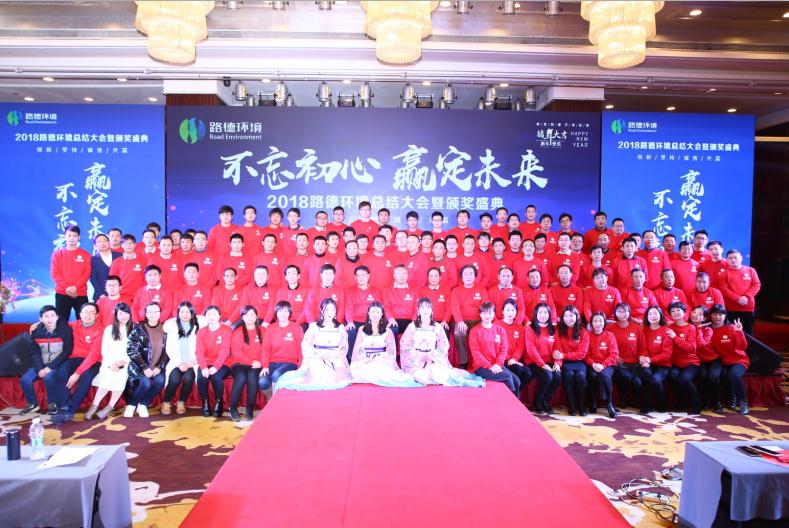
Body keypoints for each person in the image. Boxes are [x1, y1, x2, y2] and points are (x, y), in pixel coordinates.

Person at [400, 298, 484, 387]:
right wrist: (418, 355)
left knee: (438, 374)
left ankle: (445, 377)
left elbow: (444, 345)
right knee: (419, 377)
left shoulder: (437, 327)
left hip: (433, 359)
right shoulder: (412, 327)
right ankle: (439, 378)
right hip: (416, 362)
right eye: (422, 308)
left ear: (432, 310)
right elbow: (404, 344)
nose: (425, 310)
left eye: (428, 308)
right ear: (418, 310)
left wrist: (432, 355)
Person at [277, 298, 352, 391]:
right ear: (321, 310)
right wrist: (319, 353)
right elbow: (306, 345)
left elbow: (344, 346)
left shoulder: (340, 327)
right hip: (317, 358)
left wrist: (332, 354)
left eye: (332, 310)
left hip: (335, 358)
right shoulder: (314, 327)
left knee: (334, 375)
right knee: (320, 371)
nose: (330, 313)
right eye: (327, 310)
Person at [18, 305, 75, 415]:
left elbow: (67, 352)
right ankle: (32, 404)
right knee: (25, 379)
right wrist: (39, 368)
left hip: (58, 363)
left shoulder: (65, 331)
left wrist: (49, 367)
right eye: (46, 316)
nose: (50, 319)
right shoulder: (36, 332)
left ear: (57, 317)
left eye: (52, 315)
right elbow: (35, 352)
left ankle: (52, 403)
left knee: (49, 378)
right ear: (41, 319)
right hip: (41, 363)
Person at [350, 302, 422, 387]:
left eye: (378, 312)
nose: (375, 314)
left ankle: (376, 376)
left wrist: (380, 358)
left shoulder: (388, 331)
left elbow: (391, 352)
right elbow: (358, 349)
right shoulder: (362, 329)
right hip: (366, 360)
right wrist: (367, 359)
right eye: (373, 312)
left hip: (381, 360)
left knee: (379, 366)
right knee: (354, 367)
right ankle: (377, 376)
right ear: (369, 313)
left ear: (382, 314)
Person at [83, 303, 133, 420]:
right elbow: (105, 350)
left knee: (120, 382)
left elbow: (134, 350)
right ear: (115, 314)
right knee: (105, 382)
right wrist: (112, 364)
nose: (124, 316)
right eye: (121, 313)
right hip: (109, 361)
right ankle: (94, 406)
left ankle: (109, 407)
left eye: (126, 313)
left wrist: (124, 361)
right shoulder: (109, 329)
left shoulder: (134, 329)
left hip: (126, 362)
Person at [124, 302, 168, 418]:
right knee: (146, 383)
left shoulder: (166, 330)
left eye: (156, 311)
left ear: (160, 313)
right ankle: (131, 405)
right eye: (150, 311)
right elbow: (131, 350)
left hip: (157, 367)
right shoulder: (138, 329)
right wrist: (144, 367)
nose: (153, 314)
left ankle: (143, 404)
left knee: (160, 381)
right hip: (139, 367)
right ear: (146, 314)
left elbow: (168, 352)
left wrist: (159, 367)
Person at [467, 302, 519, 395]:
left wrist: (498, 364)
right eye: (484, 313)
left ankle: (516, 402)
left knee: (517, 381)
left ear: (494, 314)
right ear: (480, 314)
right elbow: (476, 353)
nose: (487, 316)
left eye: (490, 313)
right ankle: (510, 403)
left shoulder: (500, 330)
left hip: (496, 364)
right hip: (481, 367)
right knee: (508, 377)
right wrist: (490, 367)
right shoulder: (475, 331)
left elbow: (503, 349)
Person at [161, 301, 202, 415]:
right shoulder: (172, 327)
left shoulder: (197, 327)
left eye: (188, 312)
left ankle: (181, 402)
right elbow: (169, 348)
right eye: (182, 312)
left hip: (191, 363)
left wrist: (192, 362)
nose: (185, 314)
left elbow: (200, 347)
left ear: (192, 313)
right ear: (178, 313)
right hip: (176, 362)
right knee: (174, 379)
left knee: (189, 378)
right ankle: (166, 402)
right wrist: (179, 363)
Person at [708, 304, 751, 415]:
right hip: (723, 361)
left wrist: (739, 332)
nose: (718, 317)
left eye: (721, 314)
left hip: (739, 360)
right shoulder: (708, 330)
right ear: (710, 315)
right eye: (715, 314)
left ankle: (743, 402)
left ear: (725, 315)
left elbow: (743, 347)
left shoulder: (731, 328)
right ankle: (731, 398)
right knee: (721, 375)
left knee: (734, 375)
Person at [259, 301, 304, 397]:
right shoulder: (270, 328)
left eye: (286, 311)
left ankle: (275, 403)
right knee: (263, 382)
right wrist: (265, 366)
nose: (282, 314)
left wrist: (300, 366)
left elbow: (302, 349)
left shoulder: (297, 328)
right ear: (276, 313)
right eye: (280, 311)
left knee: (276, 375)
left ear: (290, 313)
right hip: (272, 362)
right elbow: (265, 349)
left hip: (290, 363)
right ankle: (270, 399)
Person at [449, 265, 490, 368]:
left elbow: (486, 307)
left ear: (475, 276)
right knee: (459, 332)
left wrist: (484, 321)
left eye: (471, 274)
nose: (468, 276)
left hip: (478, 320)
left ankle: (482, 361)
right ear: (462, 277)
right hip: (462, 321)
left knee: (484, 332)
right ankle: (464, 362)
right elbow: (455, 307)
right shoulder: (456, 290)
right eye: (465, 274)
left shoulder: (482, 290)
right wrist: (460, 321)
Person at [228, 305, 264, 421]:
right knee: (241, 377)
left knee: (252, 377)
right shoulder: (238, 332)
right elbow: (236, 353)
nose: (250, 317)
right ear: (242, 317)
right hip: (238, 363)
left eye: (252, 314)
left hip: (256, 364)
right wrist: (251, 361)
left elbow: (266, 349)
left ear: (256, 316)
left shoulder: (263, 331)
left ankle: (250, 408)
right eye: (247, 315)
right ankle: (233, 407)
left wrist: (261, 362)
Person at [196, 305, 232, 418]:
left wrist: (216, 367)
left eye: (214, 314)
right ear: (205, 316)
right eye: (209, 314)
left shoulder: (226, 330)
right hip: (206, 362)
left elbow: (225, 350)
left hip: (224, 363)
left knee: (216, 376)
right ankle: (205, 403)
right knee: (201, 377)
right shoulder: (201, 331)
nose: (211, 317)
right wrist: (203, 367)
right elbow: (199, 352)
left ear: (219, 316)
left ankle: (218, 403)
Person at [665, 302, 702, 414]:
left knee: (684, 378)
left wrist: (675, 338)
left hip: (691, 362)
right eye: (673, 311)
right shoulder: (669, 327)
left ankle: (696, 402)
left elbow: (691, 349)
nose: (675, 313)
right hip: (675, 362)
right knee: (672, 375)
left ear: (684, 312)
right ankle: (681, 402)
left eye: (678, 310)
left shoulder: (691, 327)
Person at [609, 303, 647, 410]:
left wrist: (642, 357)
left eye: (625, 311)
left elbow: (643, 347)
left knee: (637, 382)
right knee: (624, 376)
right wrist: (614, 357)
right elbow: (607, 345)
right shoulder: (610, 328)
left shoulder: (637, 328)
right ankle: (622, 399)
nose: (622, 314)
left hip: (635, 362)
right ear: (615, 313)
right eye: (619, 311)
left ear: (629, 312)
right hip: (618, 362)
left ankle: (636, 401)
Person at [553, 305, 589, 415]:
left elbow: (581, 354)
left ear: (577, 316)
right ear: (562, 317)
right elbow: (557, 349)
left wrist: (563, 355)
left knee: (580, 376)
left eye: (571, 315)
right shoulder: (558, 330)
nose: (569, 318)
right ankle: (571, 405)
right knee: (569, 375)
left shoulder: (583, 331)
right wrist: (558, 362)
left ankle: (582, 405)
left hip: (579, 361)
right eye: (566, 316)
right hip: (565, 361)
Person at [51, 225, 91, 321]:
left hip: (80, 293)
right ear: (65, 236)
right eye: (69, 235)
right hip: (62, 292)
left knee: (84, 321)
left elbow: (87, 273)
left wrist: (75, 287)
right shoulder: (57, 254)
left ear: (79, 237)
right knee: (61, 322)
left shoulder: (86, 254)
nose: (72, 238)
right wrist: (67, 287)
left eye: (74, 236)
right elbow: (54, 273)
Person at [639, 305, 673, 414]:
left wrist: (650, 360)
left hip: (663, 364)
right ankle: (647, 404)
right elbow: (642, 348)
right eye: (650, 314)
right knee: (645, 374)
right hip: (648, 363)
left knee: (655, 379)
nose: (652, 316)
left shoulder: (666, 331)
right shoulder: (644, 330)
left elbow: (667, 354)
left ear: (660, 315)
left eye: (655, 313)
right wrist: (644, 358)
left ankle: (662, 403)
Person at [718, 249, 761, 335]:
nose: (733, 260)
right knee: (731, 333)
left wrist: (746, 297)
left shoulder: (751, 270)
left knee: (748, 332)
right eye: (730, 258)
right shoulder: (724, 274)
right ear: (727, 260)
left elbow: (756, 285)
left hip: (748, 307)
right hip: (731, 308)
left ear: (741, 258)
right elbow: (724, 290)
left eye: (735, 257)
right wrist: (738, 299)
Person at [586, 312, 619, 418]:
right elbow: (586, 354)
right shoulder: (588, 336)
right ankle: (593, 402)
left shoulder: (610, 335)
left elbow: (614, 354)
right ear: (591, 323)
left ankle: (609, 403)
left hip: (608, 364)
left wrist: (603, 365)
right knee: (592, 375)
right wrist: (593, 364)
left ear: (604, 322)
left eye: (600, 321)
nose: (598, 323)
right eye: (595, 321)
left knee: (604, 375)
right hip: (593, 364)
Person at [496, 298, 532, 393]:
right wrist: (509, 359)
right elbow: (497, 347)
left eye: (513, 310)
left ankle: (515, 395)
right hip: (501, 359)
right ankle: (511, 395)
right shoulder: (497, 325)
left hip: (514, 359)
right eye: (507, 310)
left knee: (528, 373)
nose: (510, 313)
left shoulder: (520, 328)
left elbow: (520, 347)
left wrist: (514, 359)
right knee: (517, 370)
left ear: (516, 312)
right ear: (503, 311)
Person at [690, 305, 721, 413]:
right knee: (703, 376)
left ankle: (717, 402)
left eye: (699, 314)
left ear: (704, 318)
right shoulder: (688, 327)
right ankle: (705, 401)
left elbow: (701, 345)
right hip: (699, 360)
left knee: (713, 376)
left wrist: (698, 330)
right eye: (694, 312)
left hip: (713, 359)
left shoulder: (708, 329)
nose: (695, 315)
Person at [109, 234, 146, 303]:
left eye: (131, 243)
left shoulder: (143, 260)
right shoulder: (116, 262)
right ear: (122, 245)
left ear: (135, 245)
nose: (128, 245)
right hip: (122, 296)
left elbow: (147, 278)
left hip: (140, 296)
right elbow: (113, 280)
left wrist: (143, 292)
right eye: (125, 243)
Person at [90, 233, 120, 300]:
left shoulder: (119, 256)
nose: (103, 243)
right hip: (100, 296)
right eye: (99, 242)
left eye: (105, 241)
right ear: (95, 246)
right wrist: (101, 294)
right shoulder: (93, 259)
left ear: (109, 242)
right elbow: (93, 279)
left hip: (119, 295)